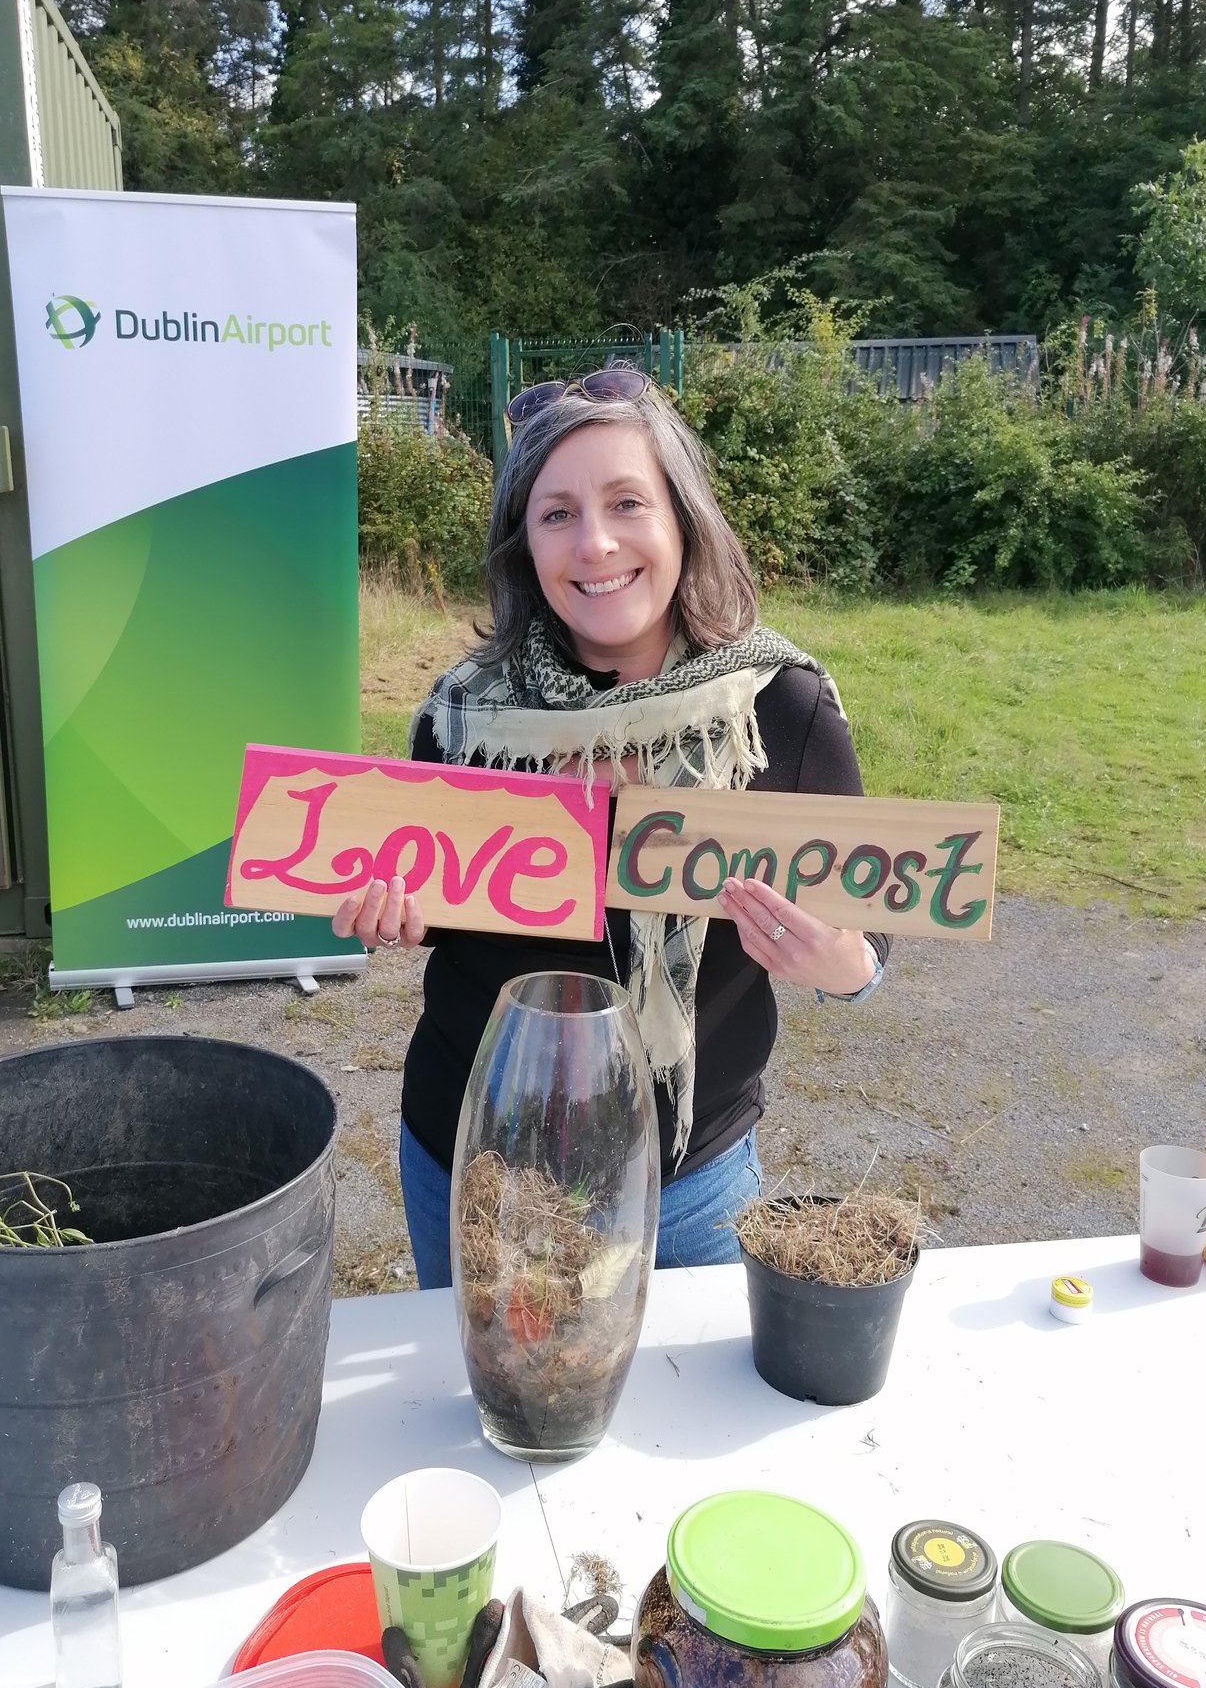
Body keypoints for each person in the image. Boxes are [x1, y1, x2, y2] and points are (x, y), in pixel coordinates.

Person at [331, 367, 887, 1287]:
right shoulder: (464, 717)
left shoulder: (777, 710)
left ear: (682, 519)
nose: (595, 545)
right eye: (556, 514)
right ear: (524, 543)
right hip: (474, 1163)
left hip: (690, 1184)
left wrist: (843, 967)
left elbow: (876, 929)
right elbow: (424, 894)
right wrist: (391, 918)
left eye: (627, 502)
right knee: (494, 1416)